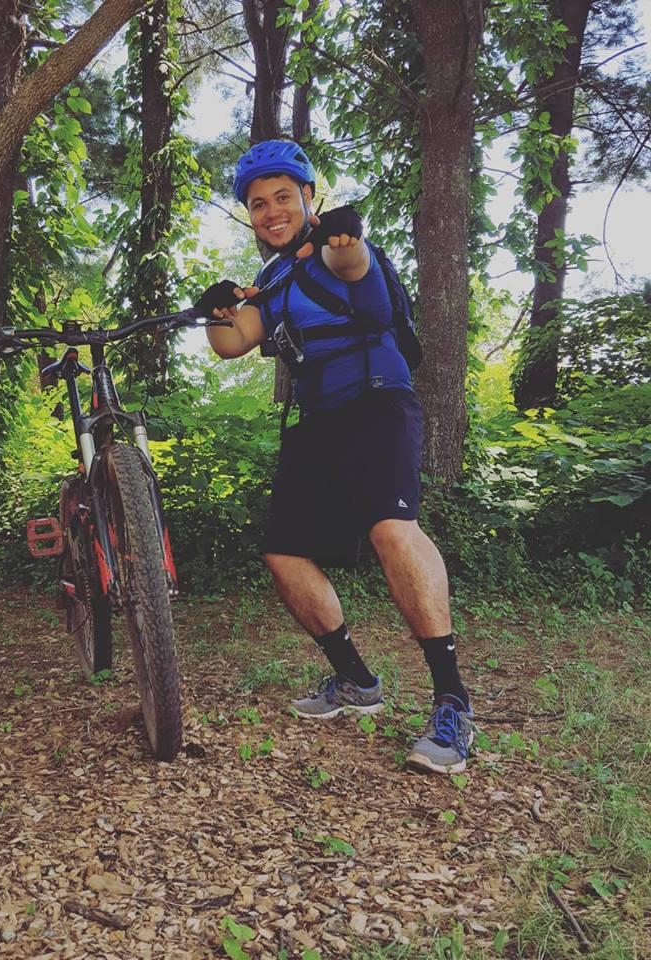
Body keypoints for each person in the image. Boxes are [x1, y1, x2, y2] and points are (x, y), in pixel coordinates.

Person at [194, 140, 473, 774]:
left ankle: (453, 702)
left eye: (283, 197)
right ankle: (355, 680)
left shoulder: (331, 248)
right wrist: (215, 309)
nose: (270, 211)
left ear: (308, 198)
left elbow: (352, 263)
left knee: (392, 532)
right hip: (318, 422)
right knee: (284, 553)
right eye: (258, 204)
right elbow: (233, 343)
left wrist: (347, 237)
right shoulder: (269, 279)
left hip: (378, 406)